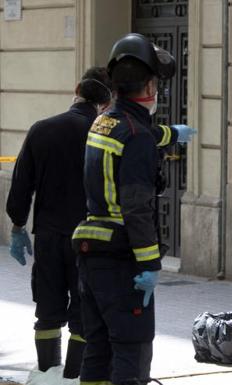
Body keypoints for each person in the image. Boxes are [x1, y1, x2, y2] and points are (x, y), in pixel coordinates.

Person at [72, 33, 196, 385]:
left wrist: (171, 133)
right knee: (131, 347)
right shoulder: (136, 134)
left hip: (91, 254)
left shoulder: (105, 121)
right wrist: (150, 263)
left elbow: (139, 135)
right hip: (121, 259)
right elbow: (137, 207)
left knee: (97, 348)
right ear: (151, 85)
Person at [6, 67, 113, 380]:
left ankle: (45, 375)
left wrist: (17, 226)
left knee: (48, 310)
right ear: (106, 102)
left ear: (77, 88)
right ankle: (71, 377)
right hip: (89, 240)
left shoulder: (42, 129)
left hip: (49, 237)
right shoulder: (103, 135)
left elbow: (21, 183)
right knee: (83, 313)